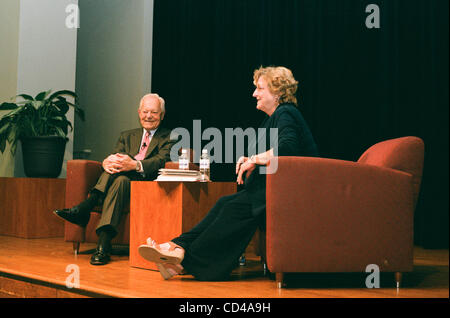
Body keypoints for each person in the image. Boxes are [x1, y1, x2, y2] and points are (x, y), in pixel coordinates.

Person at [138, 66, 319, 281]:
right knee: (224, 203)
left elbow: (288, 148)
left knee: (232, 207)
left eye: (260, 88)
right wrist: (251, 159)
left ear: (278, 92)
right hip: (270, 190)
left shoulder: (286, 112)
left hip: (291, 193)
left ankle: (182, 259)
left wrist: (254, 159)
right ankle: (177, 247)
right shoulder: (272, 119)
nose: (254, 93)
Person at [54, 93, 174, 265]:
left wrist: (134, 165)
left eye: (154, 112)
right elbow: (116, 158)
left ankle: (86, 206)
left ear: (161, 115)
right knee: (120, 180)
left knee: (120, 176)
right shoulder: (127, 136)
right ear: (139, 113)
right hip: (122, 182)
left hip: (145, 185)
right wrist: (106, 162)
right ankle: (103, 245)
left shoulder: (170, 136)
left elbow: (162, 160)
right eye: (145, 111)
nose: (149, 116)